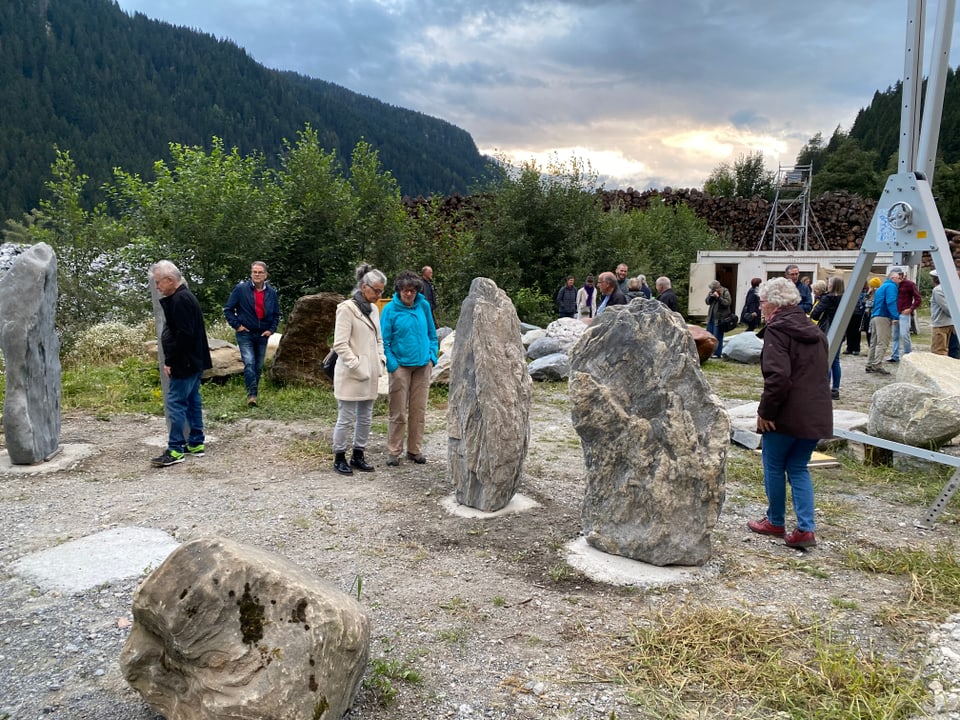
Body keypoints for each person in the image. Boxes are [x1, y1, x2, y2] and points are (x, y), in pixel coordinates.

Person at [747, 277, 831, 549]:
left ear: (773, 303)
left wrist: (766, 411)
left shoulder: (777, 330)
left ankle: (775, 521)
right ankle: (806, 529)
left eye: (761, 301)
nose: (760, 307)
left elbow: (778, 377)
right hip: (815, 412)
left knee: (773, 464)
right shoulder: (814, 331)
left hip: (786, 412)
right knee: (798, 467)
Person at [150, 260, 213, 468]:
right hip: (194, 360)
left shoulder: (179, 300)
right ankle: (195, 441)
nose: (157, 287)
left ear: (170, 280)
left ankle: (175, 448)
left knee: (175, 403)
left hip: (185, 362)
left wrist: (170, 361)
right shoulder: (183, 297)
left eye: (159, 282)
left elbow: (183, 335)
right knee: (193, 400)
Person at [331, 264, 387, 475]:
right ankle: (339, 456)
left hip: (371, 371)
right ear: (364, 287)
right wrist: (357, 365)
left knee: (366, 416)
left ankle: (358, 454)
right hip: (350, 372)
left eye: (382, 291)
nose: (379, 295)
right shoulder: (347, 308)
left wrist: (380, 361)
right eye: (376, 291)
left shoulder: (373, 310)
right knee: (345, 417)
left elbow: (378, 339)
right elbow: (340, 344)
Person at [381, 269, 439, 466]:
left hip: (423, 365)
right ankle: (394, 451)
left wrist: (432, 356)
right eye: (405, 290)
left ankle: (414, 450)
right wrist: (392, 364)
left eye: (412, 291)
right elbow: (384, 341)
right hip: (401, 367)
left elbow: (432, 333)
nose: (409, 294)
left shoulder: (423, 305)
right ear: (399, 290)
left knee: (418, 410)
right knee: (398, 411)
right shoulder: (390, 310)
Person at [223, 261, 280, 407]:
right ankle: (252, 396)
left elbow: (276, 314)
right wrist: (238, 326)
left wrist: (271, 330)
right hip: (245, 333)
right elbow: (228, 309)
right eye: (254, 272)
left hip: (262, 334)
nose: (257, 275)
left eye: (260, 272)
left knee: (258, 366)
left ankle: (253, 392)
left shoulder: (271, 293)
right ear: (251, 274)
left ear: (265, 275)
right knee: (249, 362)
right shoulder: (241, 289)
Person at [810, 276, 844, 400]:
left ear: (832, 285)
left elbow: (815, 314)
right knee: (836, 360)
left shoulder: (827, 298)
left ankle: (824, 388)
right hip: (841, 329)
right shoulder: (845, 298)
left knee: (826, 359)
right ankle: (835, 389)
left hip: (827, 330)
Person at [865, 267, 904, 375]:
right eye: (898, 278)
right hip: (883, 316)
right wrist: (895, 316)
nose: (900, 280)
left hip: (875, 316)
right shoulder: (891, 286)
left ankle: (869, 364)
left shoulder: (882, 286)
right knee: (883, 342)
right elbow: (891, 301)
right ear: (892, 277)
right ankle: (877, 364)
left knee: (874, 342)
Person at [888, 270, 922, 362]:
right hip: (895, 313)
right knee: (895, 335)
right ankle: (895, 355)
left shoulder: (909, 284)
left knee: (904, 334)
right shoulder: (892, 286)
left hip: (904, 313)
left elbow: (918, 298)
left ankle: (908, 355)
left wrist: (911, 309)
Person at [929, 270, 956, 356]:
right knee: (954, 351)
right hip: (952, 323)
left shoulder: (938, 290)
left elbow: (947, 308)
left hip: (941, 324)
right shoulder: (951, 287)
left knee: (938, 351)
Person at [704, 280, 732, 358]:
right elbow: (707, 302)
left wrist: (718, 297)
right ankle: (709, 352)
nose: (713, 290)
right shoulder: (711, 292)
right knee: (709, 335)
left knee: (717, 336)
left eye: (714, 289)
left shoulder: (725, 291)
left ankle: (717, 353)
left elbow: (727, 303)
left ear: (718, 287)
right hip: (711, 317)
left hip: (720, 318)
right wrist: (710, 296)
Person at [843, 282, 867, 355]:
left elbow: (863, 302)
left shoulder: (864, 293)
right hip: (849, 313)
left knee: (856, 331)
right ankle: (849, 347)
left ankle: (856, 348)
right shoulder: (850, 292)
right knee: (849, 331)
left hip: (858, 314)